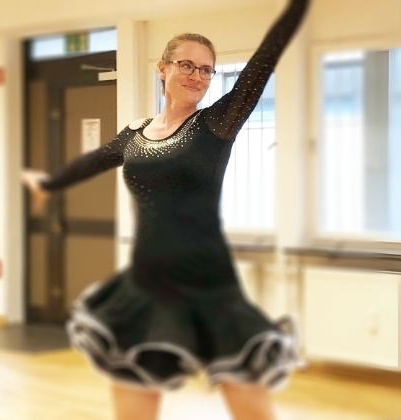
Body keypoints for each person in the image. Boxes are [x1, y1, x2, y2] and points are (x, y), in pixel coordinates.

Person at [22, 0, 310, 418]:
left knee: (250, 404)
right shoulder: (135, 135)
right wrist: (47, 184)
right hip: (147, 285)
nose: (197, 76)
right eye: (186, 65)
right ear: (162, 69)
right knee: (133, 400)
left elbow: (263, 62)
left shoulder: (215, 124)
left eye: (206, 69)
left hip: (208, 282)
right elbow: (93, 161)